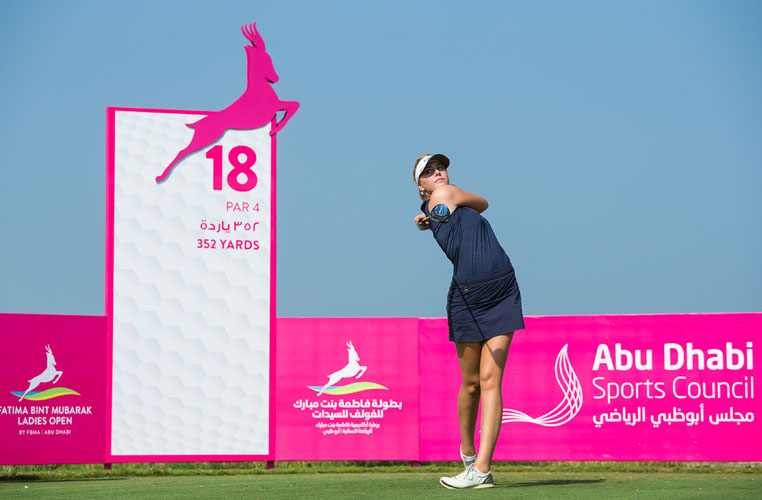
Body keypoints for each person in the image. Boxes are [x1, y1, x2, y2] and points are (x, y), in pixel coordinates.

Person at [413, 153, 524, 489]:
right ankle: (466, 449)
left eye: (441, 168)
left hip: (502, 290)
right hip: (467, 298)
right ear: (422, 188)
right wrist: (431, 213)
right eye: (429, 173)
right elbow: (484, 202)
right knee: (472, 383)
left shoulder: (439, 207)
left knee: (491, 380)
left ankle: (482, 468)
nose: (439, 173)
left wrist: (425, 218)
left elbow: (451, 213)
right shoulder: (445, 196)